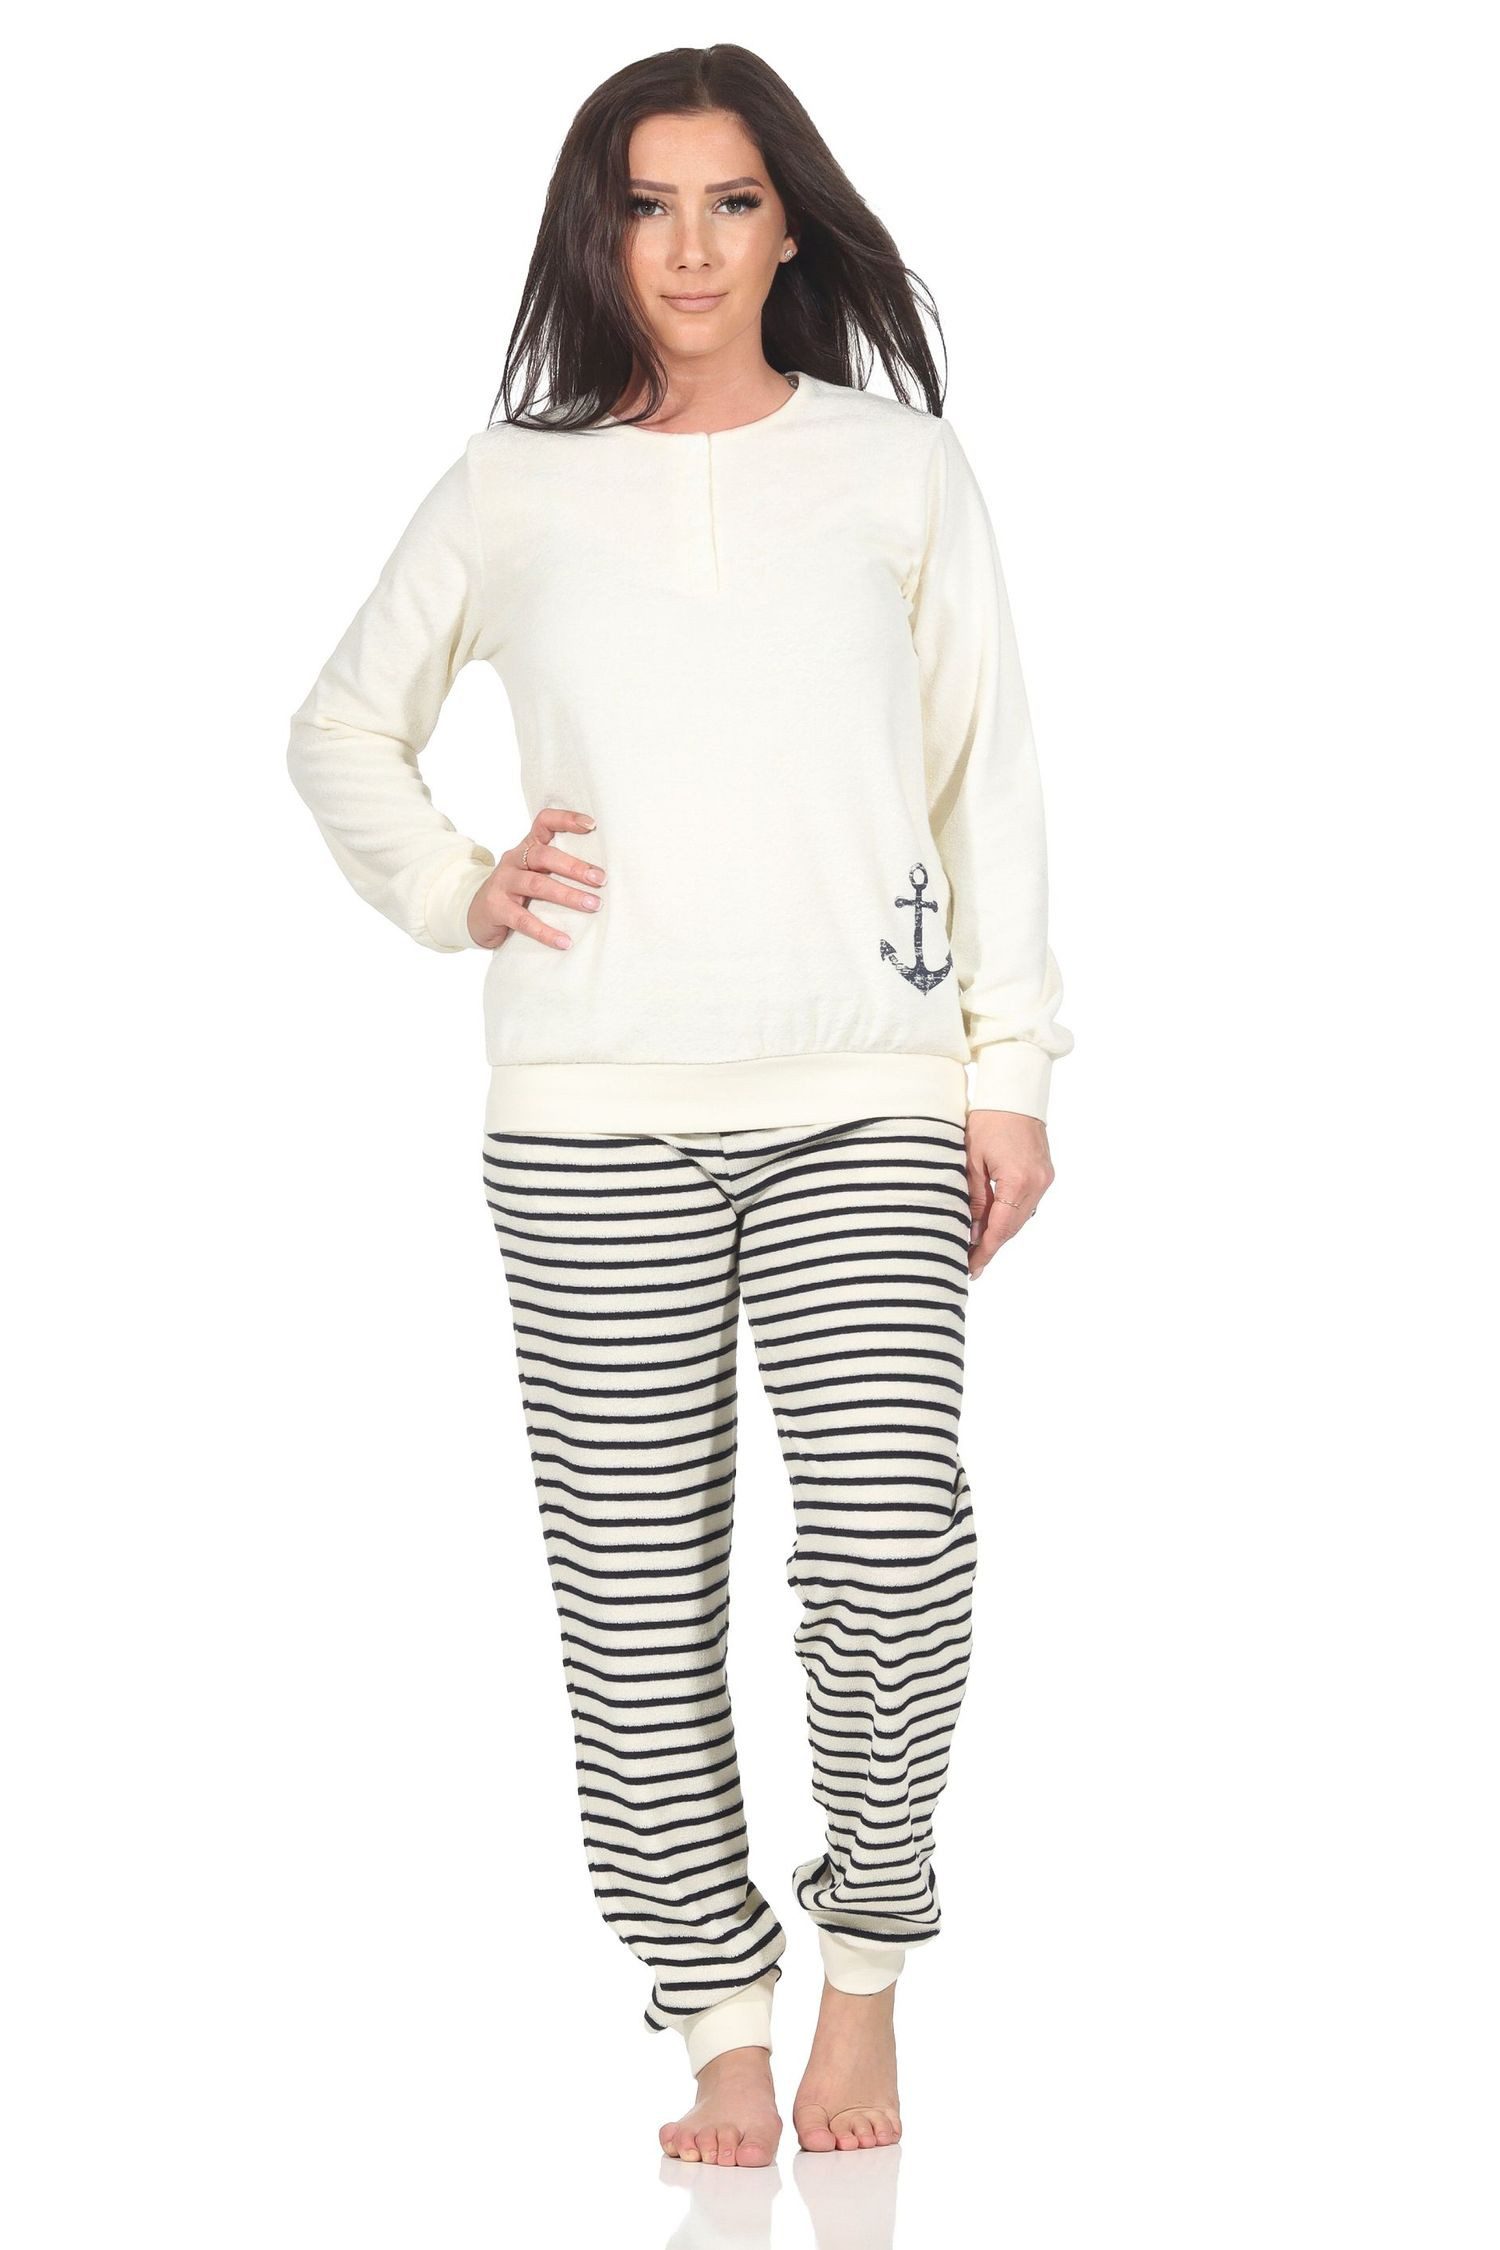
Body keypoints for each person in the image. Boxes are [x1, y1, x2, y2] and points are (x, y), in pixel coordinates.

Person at [285, 43, 1072, 2169]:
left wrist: (1007, 1073)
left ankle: (868, 1967)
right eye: (650, 205)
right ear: (600, 231)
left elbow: (986, 781)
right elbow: (342, 727)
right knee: (633, 1594)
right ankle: (720, 2009)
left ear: (789, 223)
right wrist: (463, 886)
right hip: (589, 1113)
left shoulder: (901, 470)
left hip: (869, 1095)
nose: (693, 246)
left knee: (895, 1547)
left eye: (731, 201)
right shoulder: (511, 483)